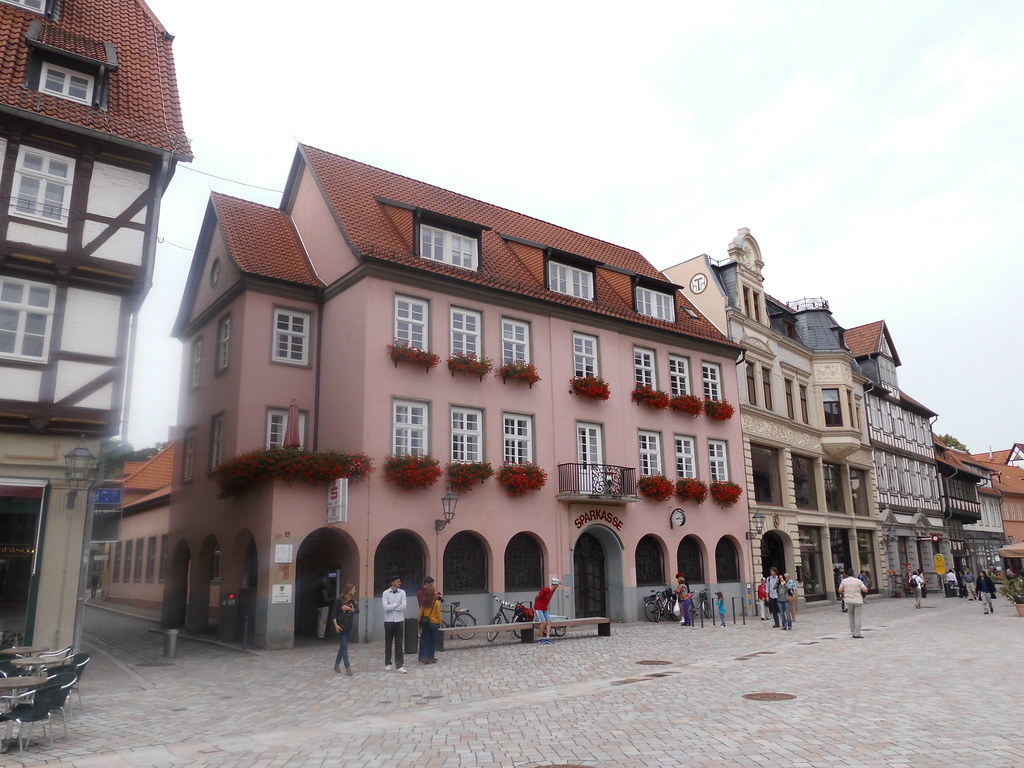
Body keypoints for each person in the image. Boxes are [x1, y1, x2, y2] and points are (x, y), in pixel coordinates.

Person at [382, 575, 407, 672]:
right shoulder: (385, 593)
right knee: (388, 642)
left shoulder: (402, 592)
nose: (400, 583)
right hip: (388, 621)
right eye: (398, 581)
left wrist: (391, 607)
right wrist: (396, 604)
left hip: (399, 620)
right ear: (392, 583)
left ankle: (399, 665)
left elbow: (404, 606)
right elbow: (385, 608)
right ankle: (388, 663)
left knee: (399, 643)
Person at [332, 583, 358, 675]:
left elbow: (357, 611)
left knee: (343, 646)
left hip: (349, 627)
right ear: (349, 590)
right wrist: (336, 625)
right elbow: (334, 614)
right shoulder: (339, 600)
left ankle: (336, 665)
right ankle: (348, 668)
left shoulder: (352, 601)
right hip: (341, 627)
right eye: (354, 589)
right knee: (345, 647)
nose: (355, 591)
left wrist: (350, 608)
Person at [837, 568, 868, 638]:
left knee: (851, 617)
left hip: (849, 601)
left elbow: (840, 590)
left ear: (846, 574)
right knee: (858, 617)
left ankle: (853, 632)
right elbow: (865, 590)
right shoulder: (858, 581)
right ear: (853, 574)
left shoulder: (844, 581)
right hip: (858, 601)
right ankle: (857, 633)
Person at [417, 578, 441, 664]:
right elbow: (438, 614)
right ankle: (431, 657)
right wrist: (440, 623)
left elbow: (421, 613)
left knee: (425, 640)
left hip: (426, 623)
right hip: (434, 623)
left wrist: (419, 621)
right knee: (433, 641)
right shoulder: (436, 603)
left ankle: (424, 657)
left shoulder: (424, 602)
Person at [535, 576, 560, 644]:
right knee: (543, 622)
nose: (558, 586)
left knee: (549, 622)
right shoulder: (545, 590)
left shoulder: (553, 590)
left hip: (544, 608)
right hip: (539, 607)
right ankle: (540, 638)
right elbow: (537, 596)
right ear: (555, 584)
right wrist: (536, 604)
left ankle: (548, 637)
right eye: (557, 585)